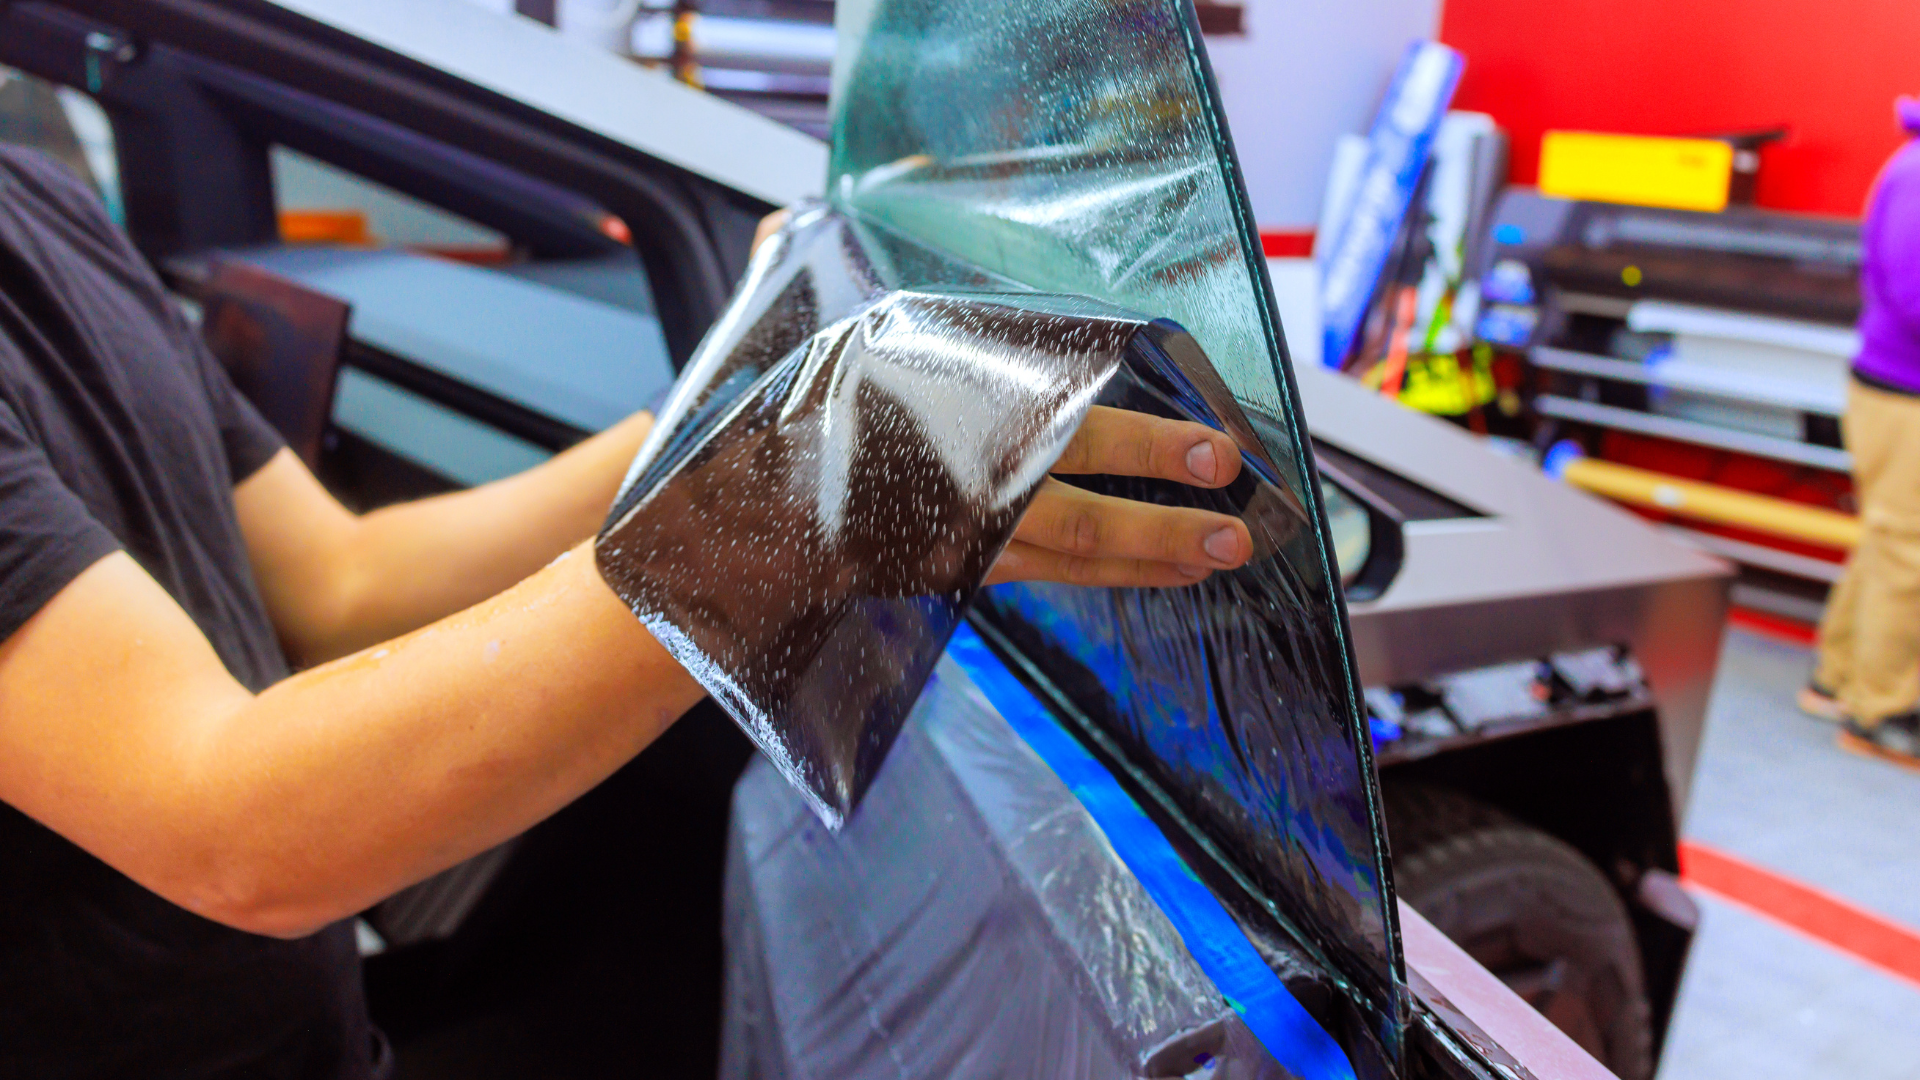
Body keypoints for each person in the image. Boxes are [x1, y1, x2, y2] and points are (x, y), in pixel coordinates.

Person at [0, 145, 1257, 1078]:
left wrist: (745, 397)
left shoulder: (42, 204)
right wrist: (791, 503)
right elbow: (226, 831)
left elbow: (343, 581)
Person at [1802, 98, 1920, 770]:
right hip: (1905, 391)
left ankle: (1838, 676)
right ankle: (1883, 712)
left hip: (1896, 385)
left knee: (1888, 538)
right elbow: (1915, 291)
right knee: (1908, 550)